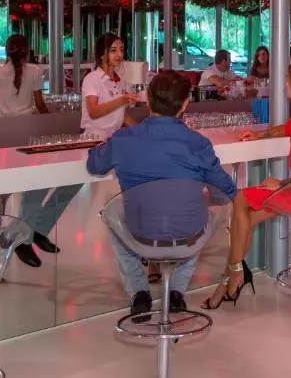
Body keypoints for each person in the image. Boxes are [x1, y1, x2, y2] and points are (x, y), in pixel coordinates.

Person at [87, 70, 236, 319]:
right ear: (185, 104)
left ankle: (139, 291)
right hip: (188, 237)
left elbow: (95, 165)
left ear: (147, 98)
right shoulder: (198, 143)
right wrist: (202, 200)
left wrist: (98, 148)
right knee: (203, 215)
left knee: (111, 213)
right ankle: (176, 291)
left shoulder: (123, 139)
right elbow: (225, 192)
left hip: (140, 235)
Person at [201, 61, 291, 309]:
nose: (284, 84)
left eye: (289, 80)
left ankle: (232, 276)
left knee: (241, 198)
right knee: (247, 218)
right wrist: (260, 134)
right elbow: (286, 129)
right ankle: (233, 276)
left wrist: (281, 185)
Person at [0, 35, 76, 268]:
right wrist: (53, 123)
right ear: (28, 52)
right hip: (28, 134)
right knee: (36, 185)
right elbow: (40, 103)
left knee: (38, 185)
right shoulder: (35, 71)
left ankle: (27, 233)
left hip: (2, 138)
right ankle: (22, 237)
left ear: (6, 51)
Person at [81, 33, 139, 141]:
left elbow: (121, 114)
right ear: (102, 54)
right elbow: (93, 112)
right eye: (113, 50)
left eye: (121, 50)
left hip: (113, 139)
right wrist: (121, 101)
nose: (119, 54)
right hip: (94, 141)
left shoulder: (118, 81)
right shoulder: (92, 78)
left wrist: (141, 131)